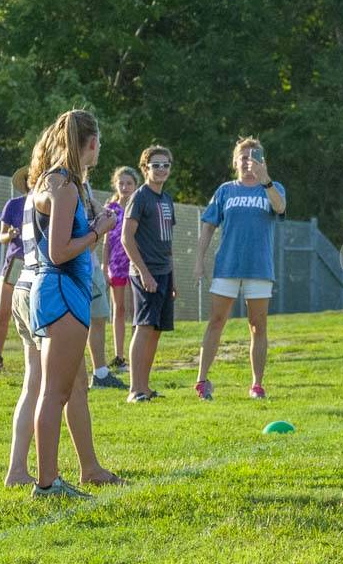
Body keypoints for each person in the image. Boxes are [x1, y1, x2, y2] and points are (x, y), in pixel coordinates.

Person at [5, 162, 125, 489]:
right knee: (54, 388)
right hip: (44, 288)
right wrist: (97, 229)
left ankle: (23, 467)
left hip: (25, 286)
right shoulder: (60, 187)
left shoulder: (35, 193)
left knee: (46, 383)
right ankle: (63, 473)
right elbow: (60, 251)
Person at [192, 137, 287, 401]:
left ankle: (257, 384)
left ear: (262, 161)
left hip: (259, 268)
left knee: (258, 326)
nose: (248, 162)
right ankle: (202, 381)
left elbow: (280, 207)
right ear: (235, 161)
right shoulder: (225, 190)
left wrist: (265, 180)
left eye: (254, 157)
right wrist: (199, 260)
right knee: (216, 321)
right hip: (227, 267)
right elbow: (209, 226)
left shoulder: (273, 188)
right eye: (243, 157)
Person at [122, 146, 177, 403]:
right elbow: (126, 238)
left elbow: (168, 244)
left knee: (156, 331)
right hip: (146, 273)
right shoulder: (140, 197)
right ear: (145, 168)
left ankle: (146, 387)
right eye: (156, 165)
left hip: (164, 273)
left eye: (165, 165)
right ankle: (134, 390)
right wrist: (144, 273)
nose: (162, 169)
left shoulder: (166, 199)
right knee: (143, 328)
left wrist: (172, 279)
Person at [0, 167, 29, 371]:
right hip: (14, 262)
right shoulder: (13, 204)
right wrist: (10, 234)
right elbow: (1, 237)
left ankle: (36, 357)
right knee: (4, 312)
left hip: (37, 263)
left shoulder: (48, 203)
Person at [83, 175, 127, 390]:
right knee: (80, 323)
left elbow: (99, 215)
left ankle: (100, 373)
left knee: (98, 317)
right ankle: (78, 374)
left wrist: (104, 216)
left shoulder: (83, 183)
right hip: (79, 265)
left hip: (90, 264)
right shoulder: (65, 182)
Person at [104, 167, 139, 371]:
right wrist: (104, 263)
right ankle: (119, 355)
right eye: (121, 183)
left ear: (135, 186)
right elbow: (106, 240)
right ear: (116, 185)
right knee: (119, 308)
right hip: (116, 264)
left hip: (135, 263)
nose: (125, 187)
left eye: (129, 184)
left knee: (136, 309)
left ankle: (136, 352)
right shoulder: (111, 209)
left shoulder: (138, 207)